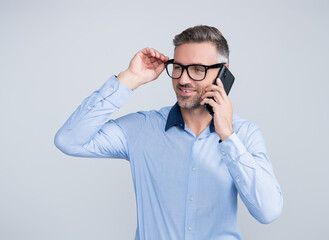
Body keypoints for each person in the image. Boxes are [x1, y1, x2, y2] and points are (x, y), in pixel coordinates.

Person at [54, 25, 283, 240]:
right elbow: (69, 141)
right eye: (178, 67)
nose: (183, 79)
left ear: (223, 73)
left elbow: (268, 212)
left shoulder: (244, 134)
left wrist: (228, 137)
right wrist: (129, 80)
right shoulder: (142, 128)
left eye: (197, 69)